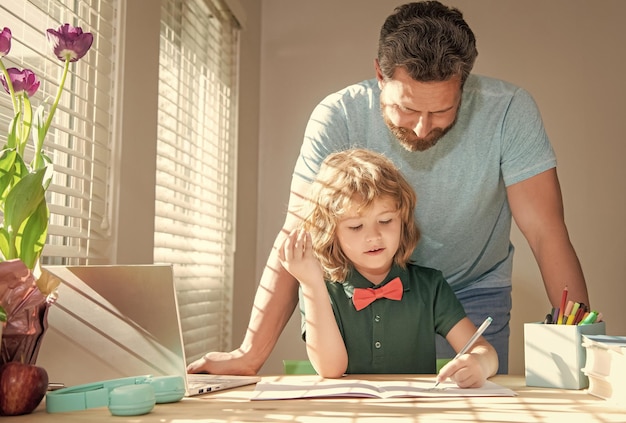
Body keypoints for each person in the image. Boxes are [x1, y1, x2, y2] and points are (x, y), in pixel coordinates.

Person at [187, 0, 589, 375]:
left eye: (442, 111)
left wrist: (583, 348)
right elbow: (297, 233)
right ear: (380, 73)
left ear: (463, 85)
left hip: (472, 291)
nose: (421, 127)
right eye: (408, 108)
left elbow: (546, 231)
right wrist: (250, 355)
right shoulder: (338, 115)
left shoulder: (510, 111)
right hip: (357, 291)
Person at [277, 148, 498, 386]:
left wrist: (479, 364)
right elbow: (331, 369)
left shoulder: (430, 286)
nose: (374, 236)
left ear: (403, 220)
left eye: (385, 221)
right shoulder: (318, 288)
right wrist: (311, 284)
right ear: (331, 233)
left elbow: (485, 352)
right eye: (355, 227)